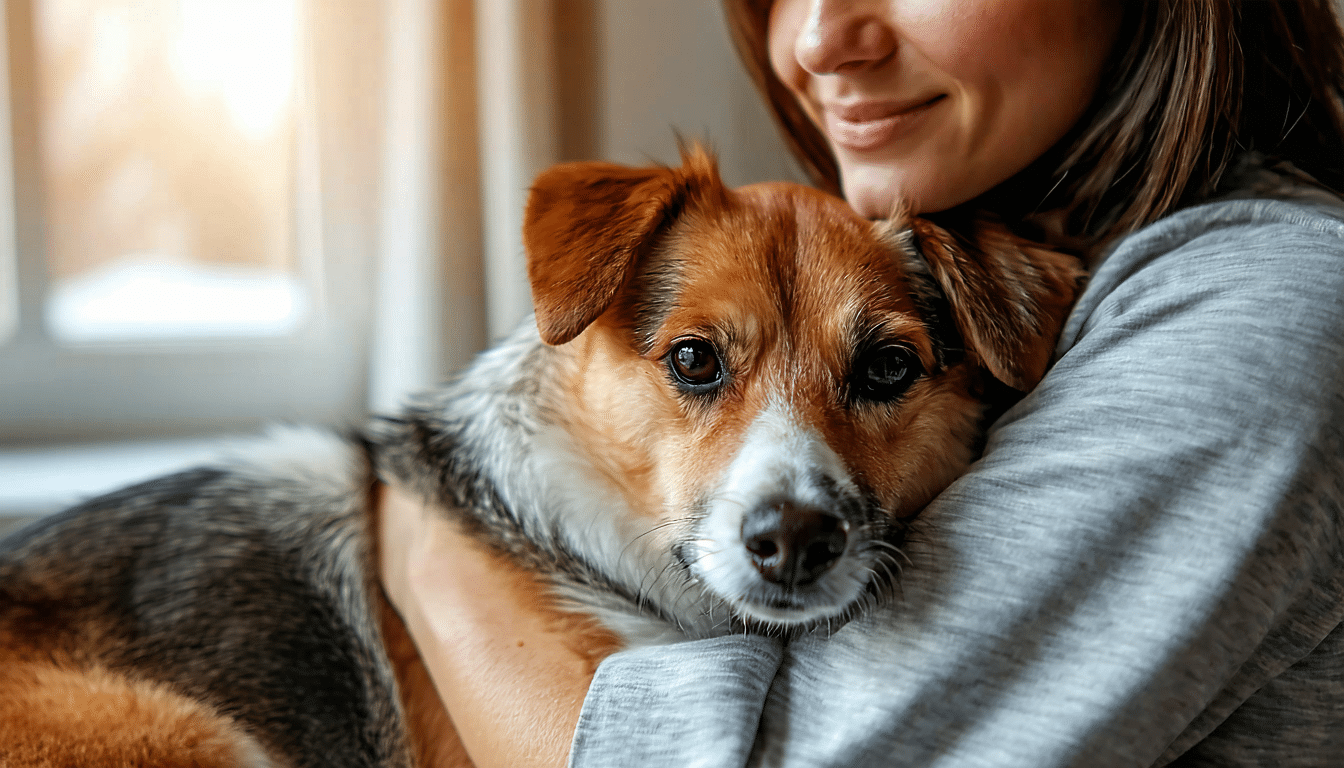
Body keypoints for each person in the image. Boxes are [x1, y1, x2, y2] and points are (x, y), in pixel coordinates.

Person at [379, 0, 1344, 765]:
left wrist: (433, 551)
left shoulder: (1260, 309)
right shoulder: (1018, 268)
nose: (818, 38)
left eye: (881, 370)